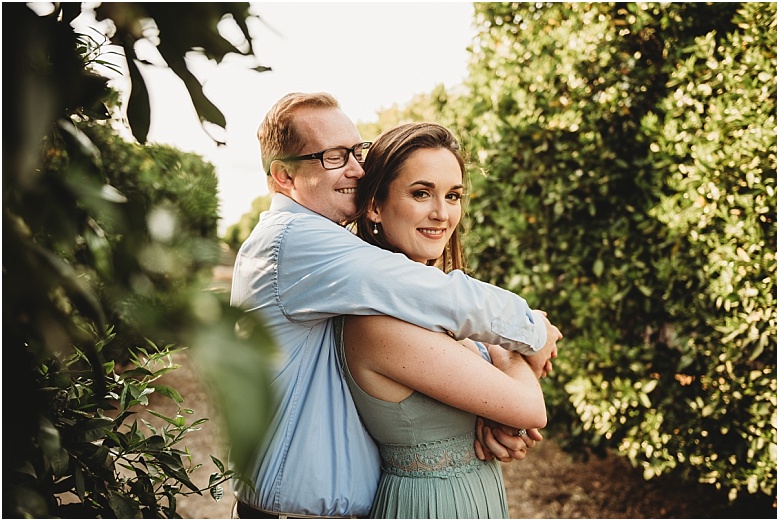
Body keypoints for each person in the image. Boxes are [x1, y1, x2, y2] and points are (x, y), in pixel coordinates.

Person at [229, 92, 561, 518]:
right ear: (283, 177)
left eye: (356, 150)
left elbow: (462, 381)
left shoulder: (339, 267)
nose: (355, 168)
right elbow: (437, 295)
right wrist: (531, 330)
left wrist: (493, 405)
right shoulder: (297, 242)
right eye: (332, 156)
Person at [336, 121, 555, 518]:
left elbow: (507, 412)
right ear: (374, 206)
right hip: (429, 506)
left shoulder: (443, 305)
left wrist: (499, 425)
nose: (441, 213)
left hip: (475, 494)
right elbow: (530, 406)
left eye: (453, 195)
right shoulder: (377, 322)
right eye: (421, 193)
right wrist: (508, 345)